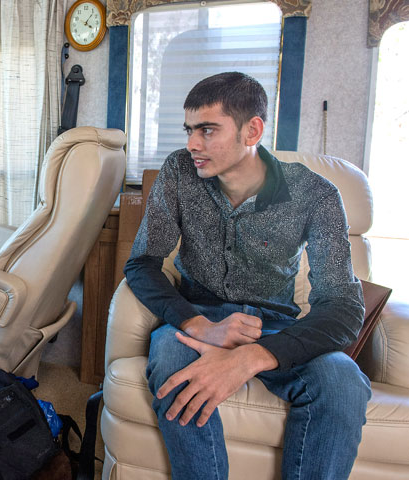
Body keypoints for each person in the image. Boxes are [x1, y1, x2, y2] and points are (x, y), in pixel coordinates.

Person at [125, 72, 371, 479]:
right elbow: (142, 263)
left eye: (207, 130)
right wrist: (199, 325)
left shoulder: (316, 194)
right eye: (189, 130)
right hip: (199, 315)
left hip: (275, 326)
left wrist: (250, 358)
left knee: (343, 381)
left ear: (252, 129)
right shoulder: (179, 171)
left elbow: (343, 305)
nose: (192, 144)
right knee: (169, 356)